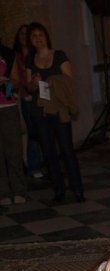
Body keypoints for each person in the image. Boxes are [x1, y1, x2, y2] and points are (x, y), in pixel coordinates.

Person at [25, 22, 84, 203]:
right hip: (40, 110)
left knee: (67, 149)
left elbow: (70, 80)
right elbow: (28, 87)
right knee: (49, 151)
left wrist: (54, 79)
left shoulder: (59, 55)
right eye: (34, 36)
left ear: (46, 36)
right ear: (30, 40)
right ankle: (59, 190)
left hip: (59, 108)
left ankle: (77, 189)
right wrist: (34, 83)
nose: (38, 38)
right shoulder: (30, 59)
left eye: (40, 34)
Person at [10, 24, 44, 179]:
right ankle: (33, 166)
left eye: (26, 33)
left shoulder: (34, 54)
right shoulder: (14, 56)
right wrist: (23, 93)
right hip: (26, 97)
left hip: (39, 95)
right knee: (33, 131)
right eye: (21, 33)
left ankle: (45, 162)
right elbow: (16, 79)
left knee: (43, 130)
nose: (24, 36)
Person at [1, 36, 27, 206]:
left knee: (14, 151)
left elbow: (17, 82)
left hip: (8, 108)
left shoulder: (7, 53)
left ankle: (18, 190)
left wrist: (7, 83)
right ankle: (3, 192)